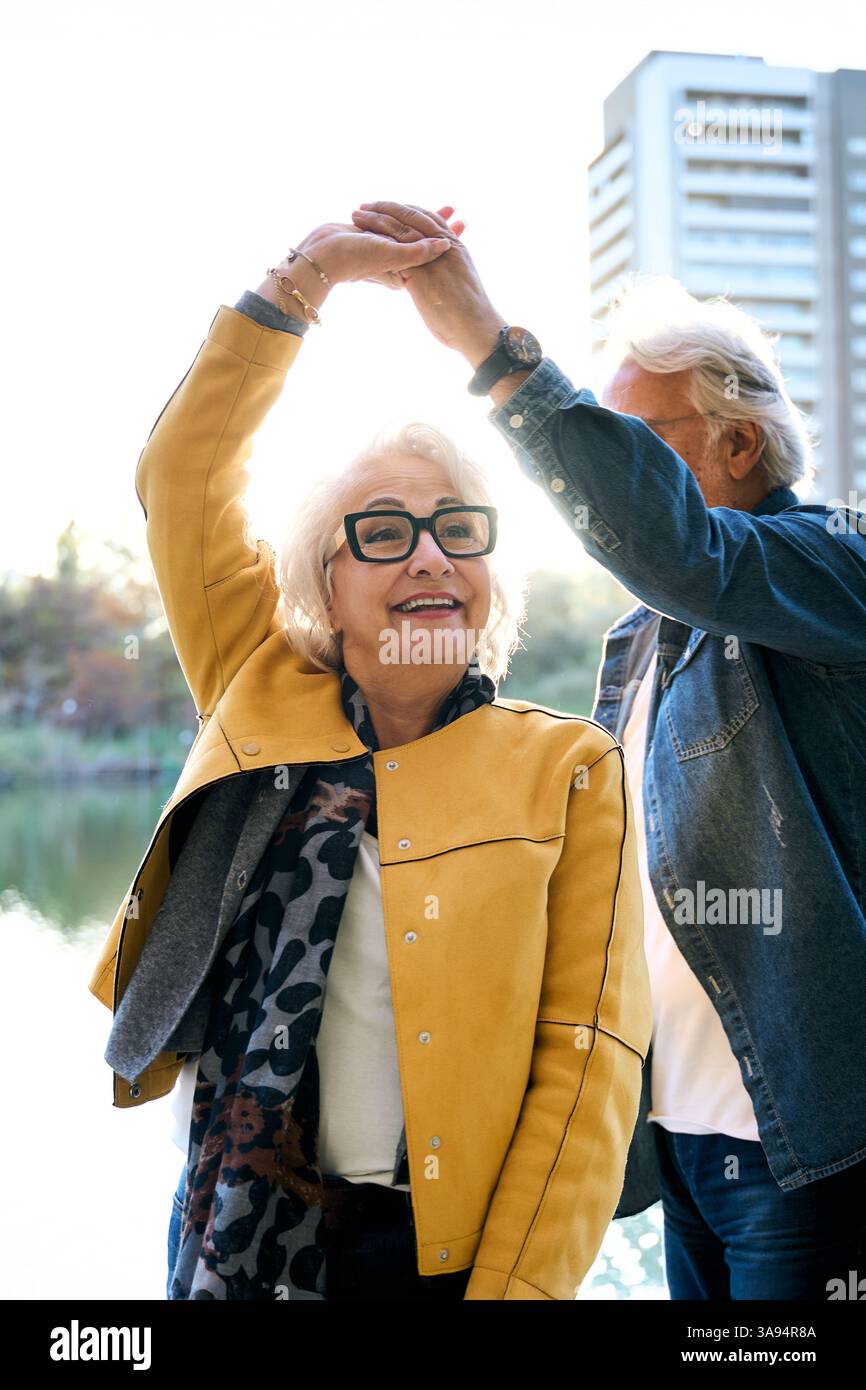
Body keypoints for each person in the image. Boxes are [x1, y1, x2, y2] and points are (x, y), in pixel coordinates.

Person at [87, 215, 653, 1302]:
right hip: (237, 1233)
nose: (430, 556)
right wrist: (306, 280)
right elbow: (183, 476)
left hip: (440, 1262)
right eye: (384, 533)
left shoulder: (569, 770)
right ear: (325, 583)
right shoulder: (255, 686)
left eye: (458, 529)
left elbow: (585, 1068)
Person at [350, 199, 866, 1301]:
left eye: (642, 443)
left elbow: (685, 551)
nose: (614, 474)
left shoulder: (833, 565)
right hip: (675, 1136)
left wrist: (489, 348)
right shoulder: (641, 639)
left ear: (738, 443)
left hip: (812, 1149)